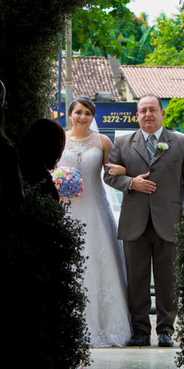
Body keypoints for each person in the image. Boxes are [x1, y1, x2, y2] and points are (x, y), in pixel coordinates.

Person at [104, 95, 184, 347]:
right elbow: (109, 174)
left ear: (162, 114)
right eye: (142, 111)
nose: (147, 114)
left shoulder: (182, 143)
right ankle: (140, 330)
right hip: (134, 222)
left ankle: (167, 329)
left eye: (152, 110)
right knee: (136, 280)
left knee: (168, 278)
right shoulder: (123, 142)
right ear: (136, 115)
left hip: (170, 222)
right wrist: (131, 182)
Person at [57, 98, 131, 348]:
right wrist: (57, 180)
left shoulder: (102, 142)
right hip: (66, 210)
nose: (83, 117)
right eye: (78, 112)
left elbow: (112, 172)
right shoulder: (61, 139)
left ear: (93, 116)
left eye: (88, 113)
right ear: (70, 114)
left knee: (99, 263)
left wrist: (122, 172)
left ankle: (105, 327)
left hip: (95, 210)